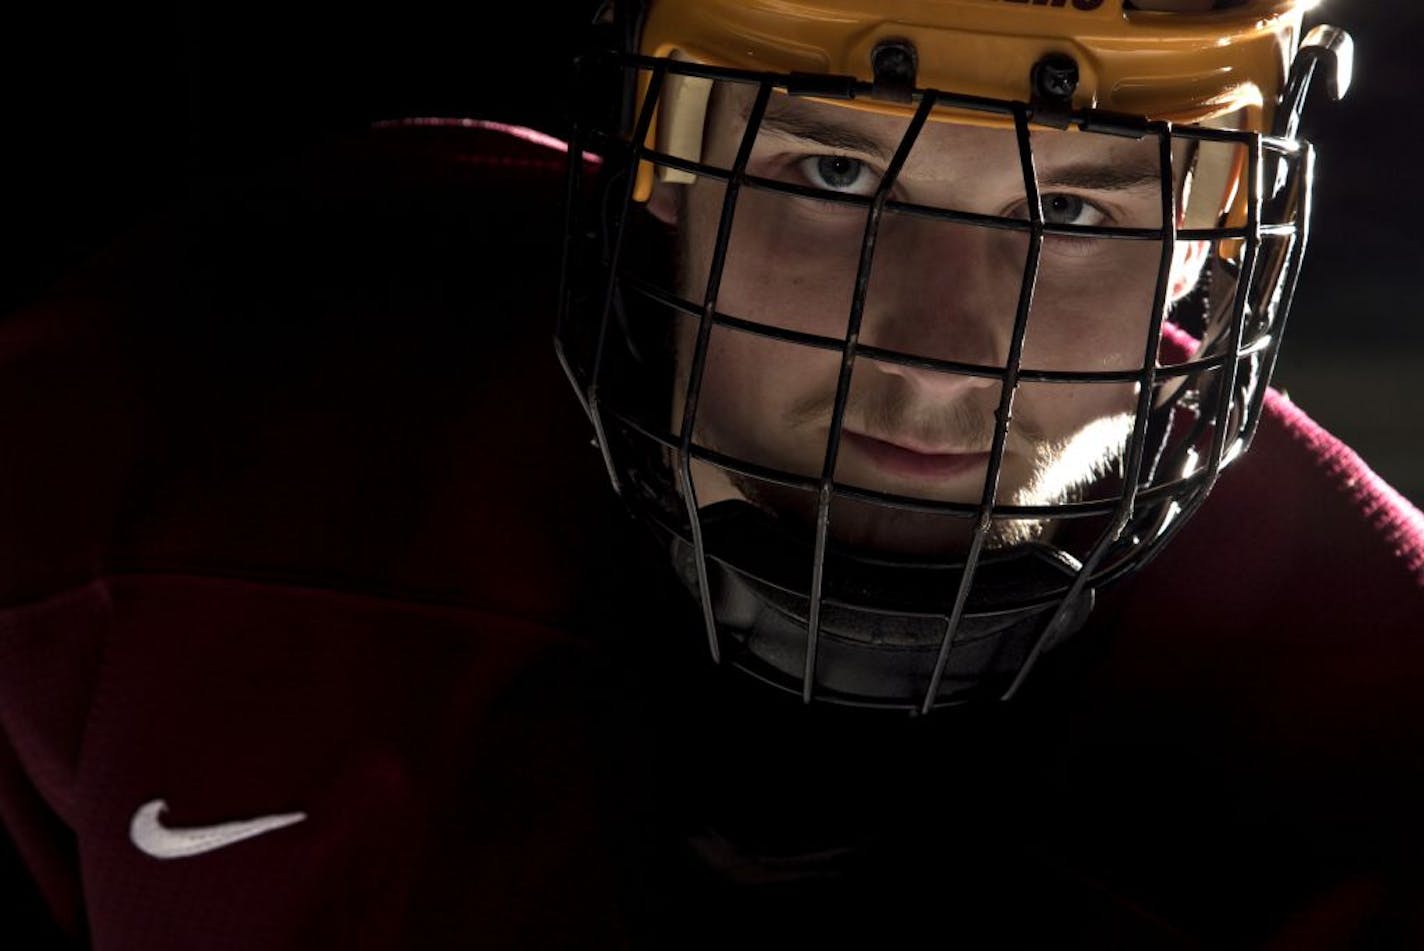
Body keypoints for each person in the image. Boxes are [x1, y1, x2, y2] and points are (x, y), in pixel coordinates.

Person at [0, 1, 1420, 948]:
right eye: (836, 180)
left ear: (1215, 237)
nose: (938, 355)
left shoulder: (1362, 711)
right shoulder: (201, 436)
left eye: (1069, 209)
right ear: (657, 159)